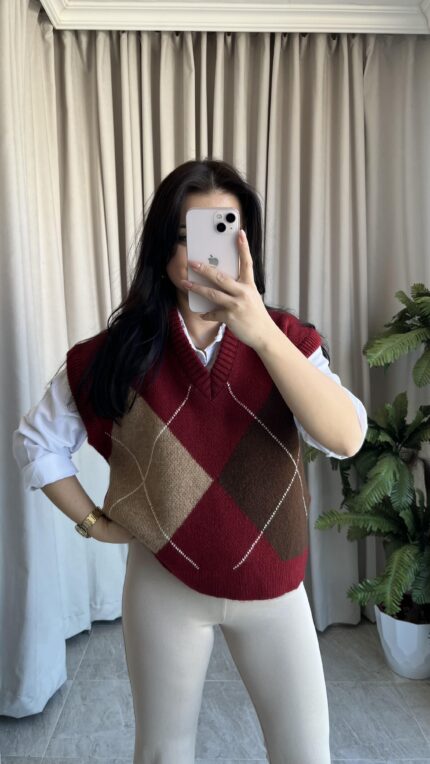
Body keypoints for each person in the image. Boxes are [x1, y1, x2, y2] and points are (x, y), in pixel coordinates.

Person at [13, 158, 367, 764]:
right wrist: (96, 523)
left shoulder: (285, 338)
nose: (204, 252)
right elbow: (36, 442)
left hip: (272, 583)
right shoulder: (118, 353)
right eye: (186, 235)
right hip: (164, 583)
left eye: (222, 232)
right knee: (162, 753)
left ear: (246, 243)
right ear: (162, 247)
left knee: (306, 754)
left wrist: (261, 333)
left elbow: (346, 437)